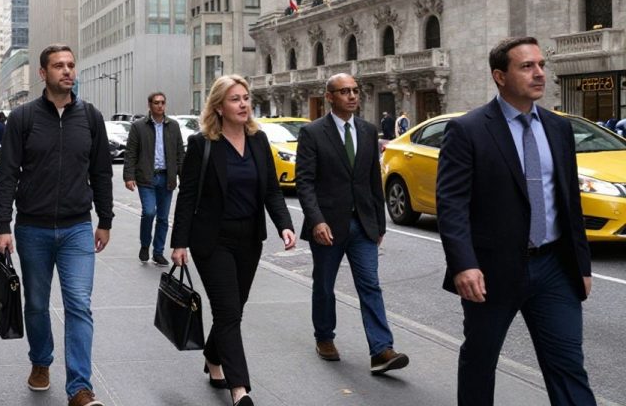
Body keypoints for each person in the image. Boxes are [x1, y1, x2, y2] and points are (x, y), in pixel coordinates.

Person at [436, 37, 595, 406]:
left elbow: (569, 201)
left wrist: (581, 265)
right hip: (492, 272)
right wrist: (464, 264)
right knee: (480, 360)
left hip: (555, 267)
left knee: (569, 366)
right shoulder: (469, 130)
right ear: (500, 76)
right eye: (527, 66)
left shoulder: (558, 128)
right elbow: (452, 203)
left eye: (540, 64)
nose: (539, 73)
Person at [0, 44, 113, 406]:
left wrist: (105, 219)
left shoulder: (90, 117)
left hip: (78, 227)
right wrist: (3, 224)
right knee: (36, 304)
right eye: (58, 66)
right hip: (33, 228)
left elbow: (102, 172)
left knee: (79, 303)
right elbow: (8, 174)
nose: (67, 71)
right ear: (42, 73)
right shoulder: (23, 118)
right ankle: (40, 360)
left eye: (71, 65)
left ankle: (79, 387)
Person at [170, 75, 296, 406]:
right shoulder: (203, 144)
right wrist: (178, 242)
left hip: (249, 239)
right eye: (235, 99)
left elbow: (271, 189)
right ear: (219, 107)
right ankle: (239, 388)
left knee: (233, 309)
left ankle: (213, 357)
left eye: (245, 98)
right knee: (228, 311)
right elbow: (187, 196)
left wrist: (284, 225)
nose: (243, 104)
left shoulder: (258, 140)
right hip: (212, 241)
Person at [295, 73, 409, 374]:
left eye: (355, 90)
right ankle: (324, 337)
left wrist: (380, 225)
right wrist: (316, 221)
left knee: (370, 285)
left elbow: (373, 180)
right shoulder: (313, 133)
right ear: (330, 97)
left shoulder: (368, 131)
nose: (352, 96)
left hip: (363, 226)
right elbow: (305, 183)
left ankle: (381, 350)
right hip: (328, 227)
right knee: (324, 285)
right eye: (344, 91)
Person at [124, 91, 184, 267]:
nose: (160, 105)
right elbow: (130, 153)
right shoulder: (138, 126)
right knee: (149, 212)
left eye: (163, 102)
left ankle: (158, 252)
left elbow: (180, 153)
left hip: (167, 178)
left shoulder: (173, 126)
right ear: (149, 105)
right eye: (156, 103)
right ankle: (145, 245)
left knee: (164, 218)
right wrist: (129, 176)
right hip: (147, 177)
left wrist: (184, 176)